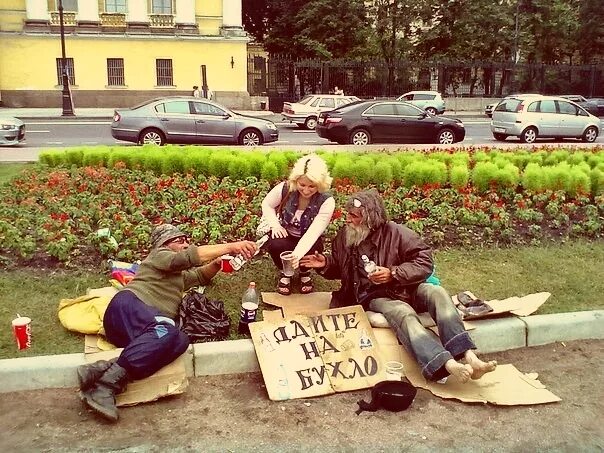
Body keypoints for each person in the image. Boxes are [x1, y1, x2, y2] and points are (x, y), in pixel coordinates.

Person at [300, 190, 497, 384]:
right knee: (402, 311)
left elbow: (425, 260)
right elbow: (339, 267)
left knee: (436, 292)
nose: (348, 219)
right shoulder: (345, 236)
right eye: (348, 214)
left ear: (370, 218)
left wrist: (393, 273)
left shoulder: (397, 233)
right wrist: (325, 263)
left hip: (406, 286)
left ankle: (470, 356)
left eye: (354, 216)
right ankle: (445, 363)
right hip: (374, 295)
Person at [77, 224, 257, 422]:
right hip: (127, 308)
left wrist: (217, 264)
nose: (186, 244)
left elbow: (198, 276)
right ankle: (105, 386)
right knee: (168, 330)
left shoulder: (175, 275)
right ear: (164, 244)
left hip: (137, 330)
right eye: (180, 241)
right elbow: (186, 257)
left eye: (187, 241)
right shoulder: (158, 256)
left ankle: (101, 369)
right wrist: (232, 246)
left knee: (180, 340)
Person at [261, 154, 335, 295]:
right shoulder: (285, 188)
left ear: (320, 184)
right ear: (296, 181)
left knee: (314, 248)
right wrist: (275, 225)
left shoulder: (327, 201)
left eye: (312, 186)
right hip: (287, 234)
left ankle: (304, 272)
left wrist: (296, 255)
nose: (306, 191)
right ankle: (285, 272)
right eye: (302, 185)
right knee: (276, 243)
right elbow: (267, 204)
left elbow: (314, 232)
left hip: (309, 237)